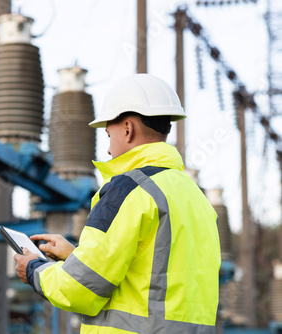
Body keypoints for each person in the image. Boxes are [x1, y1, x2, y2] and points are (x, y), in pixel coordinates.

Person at [14, 74, 221, 333]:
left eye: (108, 135)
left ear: (127, 128)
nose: (109, 150)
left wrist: (34, 269)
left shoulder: (129, 188)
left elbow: (78, 290)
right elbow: (154, 279)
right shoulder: (196, 198)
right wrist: (76, 256)